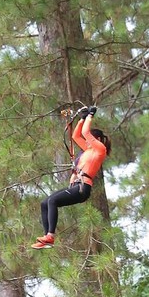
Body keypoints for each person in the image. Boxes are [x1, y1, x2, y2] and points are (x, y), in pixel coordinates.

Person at [32, 105, 111, 249]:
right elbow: (76, 136)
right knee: (45, 203)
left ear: (97, 139)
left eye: (90, 139)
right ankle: (47, 238)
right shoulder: (89, 150)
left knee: (53, 201)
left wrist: (90, 116)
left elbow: (86, 132)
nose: (86, 141)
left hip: (82, 187)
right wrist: (81, 120)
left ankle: (50, 236)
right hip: (76, 186)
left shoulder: (100, 150)